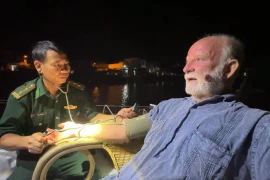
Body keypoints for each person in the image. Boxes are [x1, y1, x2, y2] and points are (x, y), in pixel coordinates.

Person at [47, 34, 270, 179]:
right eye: (186, 60)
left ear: (229, 69)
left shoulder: (256, 127)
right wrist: (73, 130)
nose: (186, 68)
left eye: (199, 60)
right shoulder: (168, 107)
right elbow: (123, 130)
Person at [0, 40, 129, 180]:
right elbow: (3, 137)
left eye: (66, 65)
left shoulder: (77, 92)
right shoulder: (22, 97)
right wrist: (27, 141)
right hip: (32, 159)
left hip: (70, 153)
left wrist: (117, 118)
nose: (65, 70)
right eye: (57, 65)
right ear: (39, 66)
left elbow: (92, 116)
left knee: (93, 175)